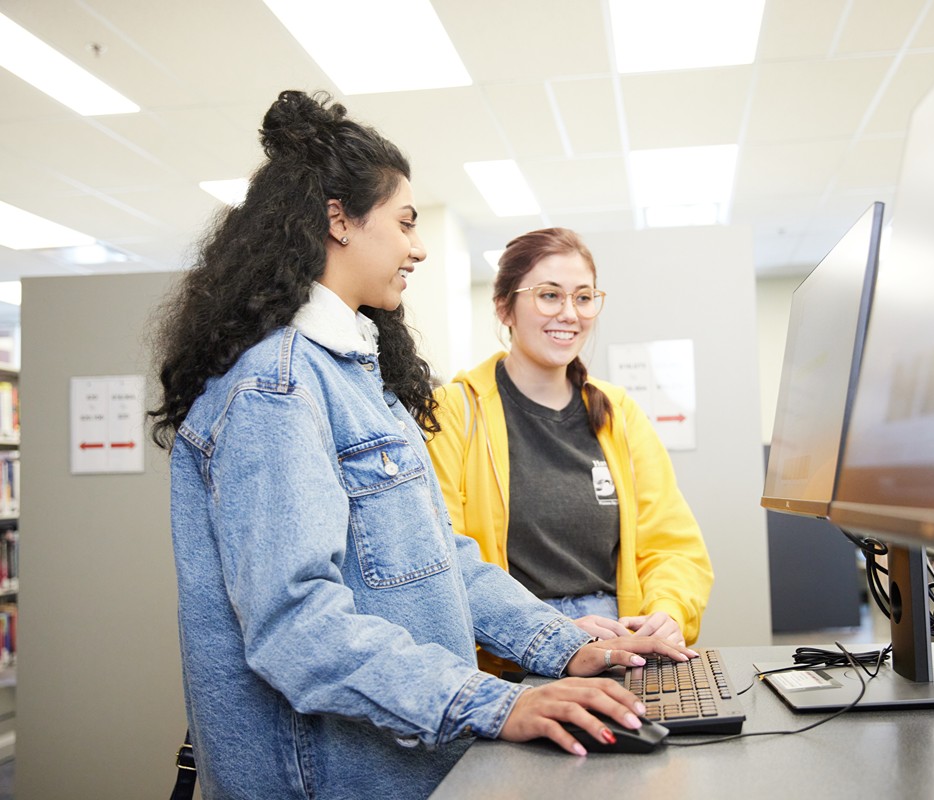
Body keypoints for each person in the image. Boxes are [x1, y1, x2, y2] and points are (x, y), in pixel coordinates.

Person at [148, 91, 696, 800]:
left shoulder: (359, 379)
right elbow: (297, 628)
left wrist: (570, 647)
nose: (419, 245)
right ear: (337, 221)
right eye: (405, 222)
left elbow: (446, 565)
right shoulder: (274, 391)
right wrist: (496, 702)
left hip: (408, 767)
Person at [426, 227, 713, 675]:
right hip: (517, 654)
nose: (569, 313)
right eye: (548, 295)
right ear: (505, 307)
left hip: (623, 645)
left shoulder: (619, 414)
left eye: (583, 297)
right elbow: (444, 558)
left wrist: (667, 612)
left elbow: (672, 545)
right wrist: (554, 634)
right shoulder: (455, 413)